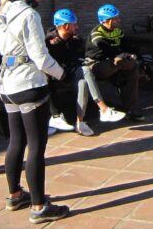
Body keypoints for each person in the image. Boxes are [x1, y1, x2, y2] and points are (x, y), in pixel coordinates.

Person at [0, 0, 69, 224]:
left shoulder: (5, 8)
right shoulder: (29, 14)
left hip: (8, 85)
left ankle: (15, 195)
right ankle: (39, 206)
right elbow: (41, 57)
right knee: (36, 145)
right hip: (29, 84)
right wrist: (63, 74)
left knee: (16, 141)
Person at [46, 8, 126, 136]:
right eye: (74, 24)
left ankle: (80, 122)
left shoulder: (76, 41)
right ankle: (103, 109)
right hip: (55, 79)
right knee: (85, 70)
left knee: (83, 80)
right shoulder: (49, 43)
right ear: (66, 26)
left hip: (71, 75)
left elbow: (79, 59)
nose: (77, 27)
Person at [85, 4, 145, 122]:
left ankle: (130, 108)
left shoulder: (117, 31)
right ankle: (120, 78)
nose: (119, 20)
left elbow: (128, 45)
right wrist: (121, 54)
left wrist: (139, 58)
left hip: (115, 63)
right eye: (116, 18)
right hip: (97, 65)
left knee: (133, 68)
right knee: (123, 62)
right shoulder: (96, 33)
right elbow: (104, 47)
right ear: (107, 21)